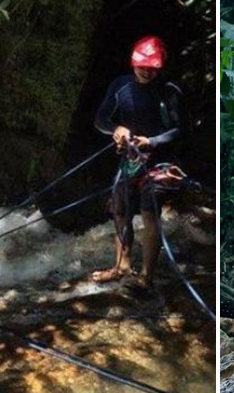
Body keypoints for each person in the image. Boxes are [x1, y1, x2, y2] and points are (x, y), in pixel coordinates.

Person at [91, 35, 187, 288]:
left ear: (159, 68)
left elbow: (177, 130)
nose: (146, 72)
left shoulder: (169, 91)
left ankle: (146, 276)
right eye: (142, 66)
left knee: (149, 212)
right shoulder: (120, 87)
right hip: (130, 159)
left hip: (159, 162)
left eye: (152, 68)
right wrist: (117, 129)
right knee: (120, 211)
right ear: (133, 64)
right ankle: (121, 266)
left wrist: (151, 141)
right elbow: (101, 119)